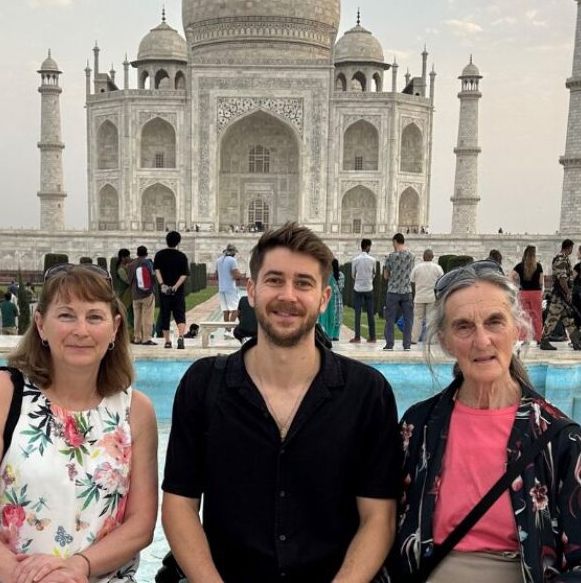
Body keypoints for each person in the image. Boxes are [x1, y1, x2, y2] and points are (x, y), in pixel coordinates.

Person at [161, 222, 401, 583]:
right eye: (275, 280)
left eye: (303, 283)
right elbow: (180, 504)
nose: (288, 295)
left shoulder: (366, 394)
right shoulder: (204, 384)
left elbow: (378, 516)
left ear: (323, 298)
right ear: (252, 291)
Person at [390, 260, 581, 583]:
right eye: (464, 326)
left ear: (517, 328)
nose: (482, 341)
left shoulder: (558, 437)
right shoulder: (419, 427)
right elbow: (386, 534)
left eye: (494, 322)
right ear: (445, 340)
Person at [0, 263, 158, 583]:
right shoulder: (2, 393)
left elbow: (140, 525)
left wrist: (78, 567)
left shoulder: (135, 411)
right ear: (41, 325)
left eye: (94, 316)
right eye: (66, 315)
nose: (81, 330)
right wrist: (25, 575)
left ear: (114, 328)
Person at [539, 239, 581, 351]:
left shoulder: (563, 258)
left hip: (562, 294)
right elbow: (562, 278)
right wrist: (568, 292)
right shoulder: (561, 259)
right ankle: (544, 340)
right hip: (560, 295)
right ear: (569, 248)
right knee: (552, 318)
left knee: (568, 318)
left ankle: (575, 341)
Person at [154, 231, 190, 349]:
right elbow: (184, 275)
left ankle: (168, 341)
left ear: (167, 241)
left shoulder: (159, 255)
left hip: (164, 292)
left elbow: (157, 271)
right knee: (179, 314)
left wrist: (162, 284)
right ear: (178, 242)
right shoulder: (182, 256)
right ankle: (180, 337)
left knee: (165, 314)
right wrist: (175, 286)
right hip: (177, 292)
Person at [383, 233, 415, 351]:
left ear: (395, 241)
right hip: (406, 290)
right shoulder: (411, 256)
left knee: (390, 319)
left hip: (393, 291)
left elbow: (386, 276)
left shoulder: (390, 257)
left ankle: (389, 344)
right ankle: (407, 344)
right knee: (408, 319)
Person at [510, 245, 544, 344]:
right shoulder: (538, 266)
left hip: (523, 293)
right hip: (536, 293)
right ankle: (538, 338)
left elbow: (510, 277)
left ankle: (525, 339)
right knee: (537, 316)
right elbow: (541, 282)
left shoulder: (519, 266)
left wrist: (517, 283)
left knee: (525, 317)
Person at [410, 249, 444, 345]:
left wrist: (415, 292)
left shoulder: (417, 267)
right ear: (432, 257)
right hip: (431, 297)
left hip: (419, 296)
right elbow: (441, 282)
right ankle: (431, 340)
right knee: (431, 319)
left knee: (417, 318)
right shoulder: (437, 268)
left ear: (423, 256)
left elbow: (412, 281)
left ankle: (414, 339)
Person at [128, 246, 157, 346]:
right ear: (146, 253)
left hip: (135, 294)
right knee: (147, 316)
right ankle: (146, 338)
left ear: (137, 253)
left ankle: (137, 337)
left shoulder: (131, 264)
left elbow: (129, 279)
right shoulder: (147, 262)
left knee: (137, 317)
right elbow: (153, 275)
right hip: (147, 293)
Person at [350, 238, 377, 343]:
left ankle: (357, 337)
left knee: (357, 313)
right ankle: (372, 337)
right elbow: (374, 274)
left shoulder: (355, 260)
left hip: (358, 288)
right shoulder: (373, 260)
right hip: (369, 288)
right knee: (370, 313)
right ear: (368, 247)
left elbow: (353, 274)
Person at [215, 243, 243, 339]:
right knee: (235, 309)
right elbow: (236, 275)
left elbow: (216, 275)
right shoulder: (232, 260)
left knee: (226, 311)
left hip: (221, 288)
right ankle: (229, 331)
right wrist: (240, 275)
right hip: (230, 288)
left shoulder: (219, 260)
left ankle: (226, 331)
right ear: (233, 252)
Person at [318, 258, 345, 341]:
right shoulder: (341, 275)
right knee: (337, 317)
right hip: (338, 299)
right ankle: (335, 335)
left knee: (327, 316)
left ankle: (327, 334)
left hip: (329, 298)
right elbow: (341, 287)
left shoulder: (327, 275)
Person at [115, 248, 135, 342]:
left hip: (129, 294)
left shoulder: (125, 267)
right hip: (124, 296)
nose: (129, 258)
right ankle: (127, 337)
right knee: (127, 316)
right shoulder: (121, 269)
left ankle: (131, 336)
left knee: (131, 315)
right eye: (127, 256)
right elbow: (128, 281)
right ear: (123, 257)